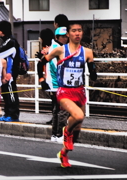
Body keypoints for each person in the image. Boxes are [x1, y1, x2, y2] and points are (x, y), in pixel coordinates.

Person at [46, 23, 97, 168]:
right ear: (68, 34)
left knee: (78, 130)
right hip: (64, 91)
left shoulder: (87, 52)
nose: (77, 33)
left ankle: (63, 153)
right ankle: (65, 131)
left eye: (79, 30)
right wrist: (42, 79)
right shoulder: (60, 50)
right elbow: (42, 62)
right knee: (78, 116)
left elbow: (92, 71)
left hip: (79, 91)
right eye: (74, 31)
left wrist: (94, 73)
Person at [38, 27, 70, 142]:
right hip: (59, 84)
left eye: (66, 36)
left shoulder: (52, 48)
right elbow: (57, 67)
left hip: (53, 84)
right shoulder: (57, 48)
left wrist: (42, 80)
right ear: (56, 37)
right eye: (63, 37)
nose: (65, 39)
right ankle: (60, 134)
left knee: (56, 110)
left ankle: (55, 135)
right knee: (62, 110)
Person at [0, 20, 20, 122]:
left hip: (10, 72)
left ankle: (13, 115)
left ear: (2, 31)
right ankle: (7, 113)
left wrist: (10, 73)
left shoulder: (11, 41)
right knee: (6, 93)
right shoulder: (7, 40)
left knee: (11, 93)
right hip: (6, 72)